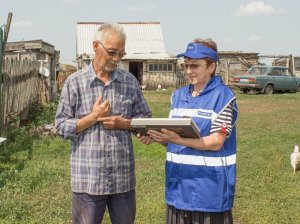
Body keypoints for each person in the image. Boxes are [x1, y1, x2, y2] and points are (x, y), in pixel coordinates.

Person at [55, 23, 151, 224]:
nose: (116, 59)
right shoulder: (74, 83)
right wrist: (92, 118)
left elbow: (145, 119)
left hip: (122, 178)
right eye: (112, 52)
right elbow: (61, 126)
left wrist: (125, 123)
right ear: (95, 46)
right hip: (88, 179)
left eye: (121, 54)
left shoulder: (129, 82)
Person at [141, 38, 238, 224]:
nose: (188, 71)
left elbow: (217, 142)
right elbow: (175, 138)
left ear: (211, 67)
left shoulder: (224, 97)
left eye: (195, 66)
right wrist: (158, 137)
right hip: (177, 188)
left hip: (209, 193)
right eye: (186, 65)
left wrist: (178, 140)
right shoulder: (177, 96)